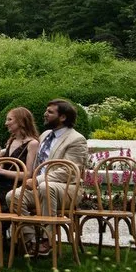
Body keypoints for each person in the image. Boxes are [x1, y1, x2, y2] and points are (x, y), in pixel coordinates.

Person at [23, 99, 90, 255]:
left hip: (68, 188)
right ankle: (32, 239)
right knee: (12, 196)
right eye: (46, 111)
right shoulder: (46, 134)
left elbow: (68, 171)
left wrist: (38, 180)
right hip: (39, 186)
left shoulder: (76, 139)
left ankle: (48, 240)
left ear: (63, 117)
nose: (45, 114)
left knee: (47, 187)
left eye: (50, 112)